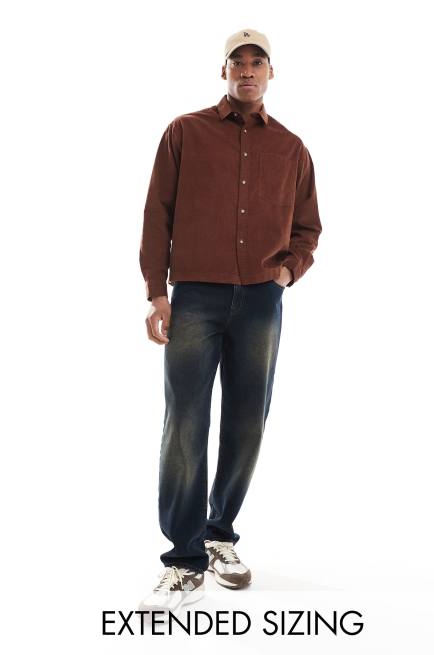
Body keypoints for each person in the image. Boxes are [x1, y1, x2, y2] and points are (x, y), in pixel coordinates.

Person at [138, 28, 322, 615]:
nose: (247, 70)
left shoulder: (291, 147)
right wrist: (156, 291)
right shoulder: (184, 132)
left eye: (257, 62)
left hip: (262, 301)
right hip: (194, 297)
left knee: (247, 423)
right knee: (185, 424)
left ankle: (220, 535)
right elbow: (157, 213)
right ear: (223, 71)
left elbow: (309, 228)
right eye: (237, 62)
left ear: (270, 73)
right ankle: (183, 558)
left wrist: (288, 272)